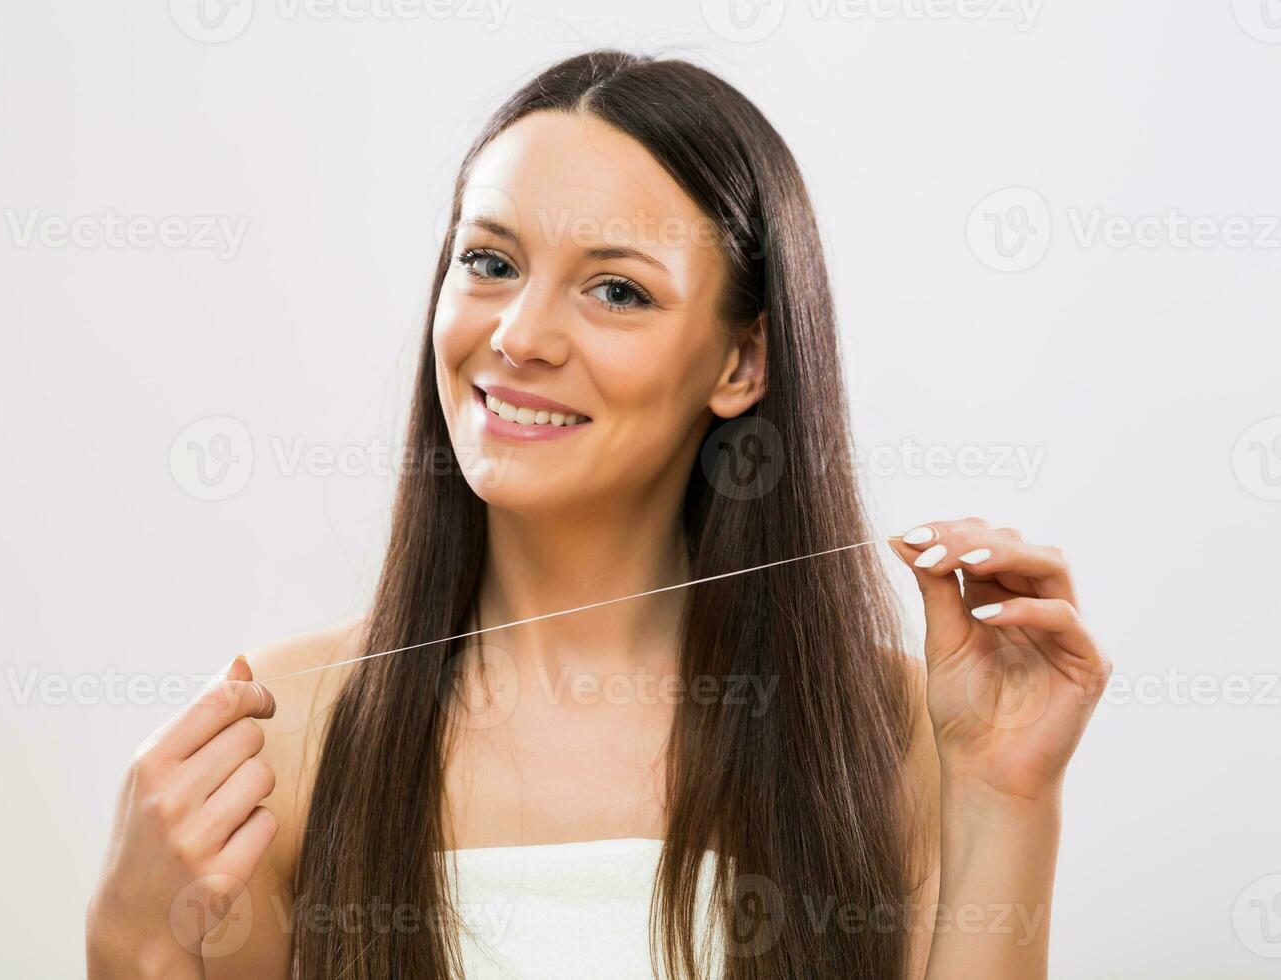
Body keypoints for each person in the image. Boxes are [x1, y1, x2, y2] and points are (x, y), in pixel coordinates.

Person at [86, 49, 1111, 980]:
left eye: (615, 289)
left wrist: (1005, 793)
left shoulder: (892, 736)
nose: (521, 335)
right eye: (489, 262)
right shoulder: (279, 736)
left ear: (740, 361)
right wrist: (127, 951)